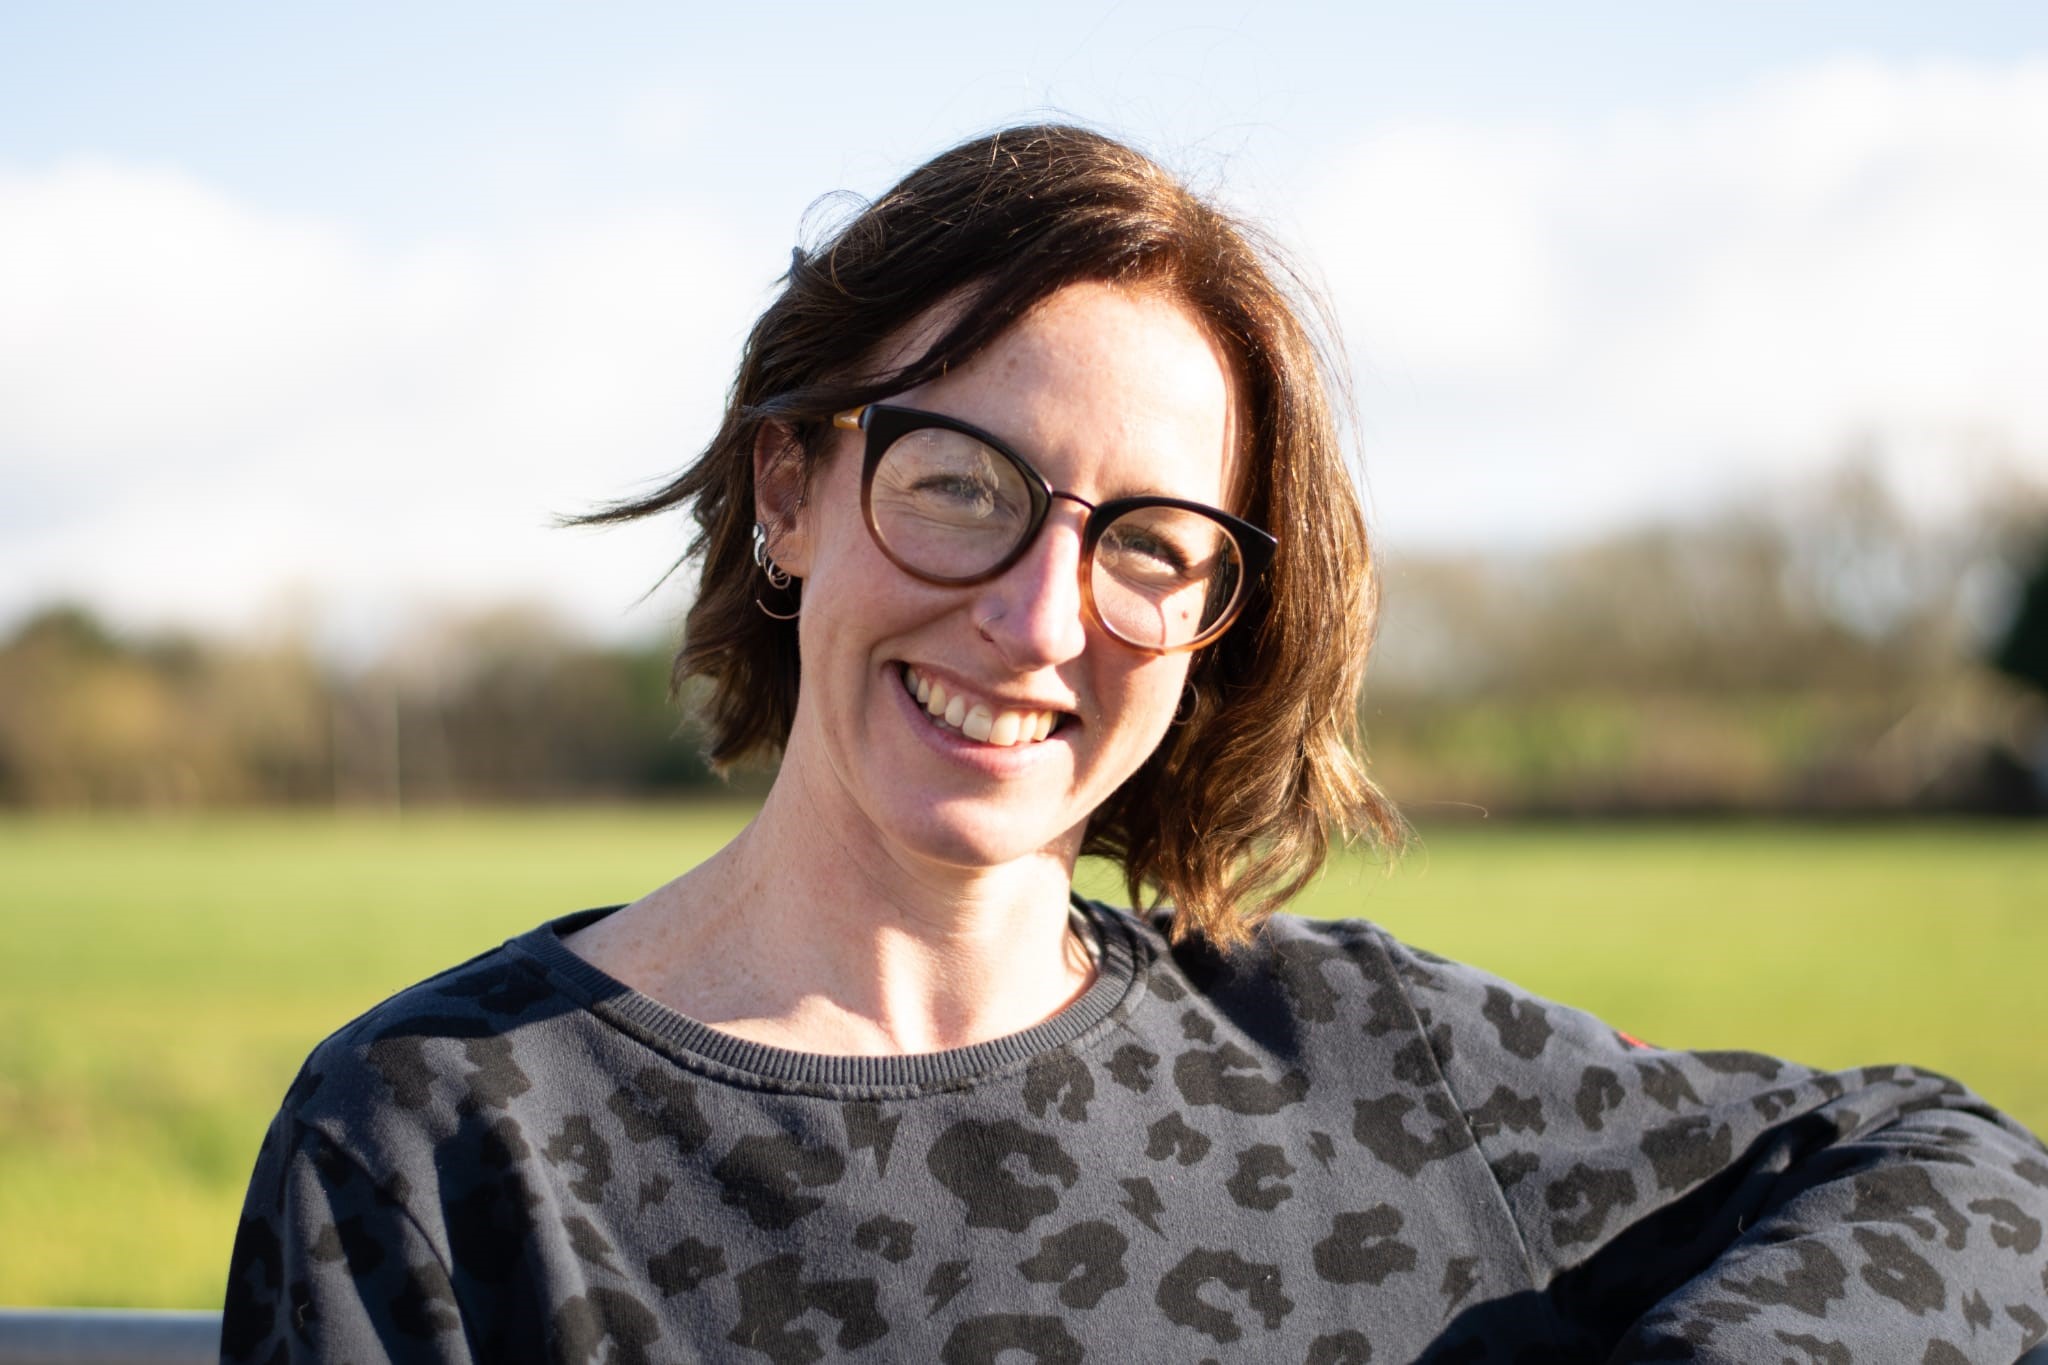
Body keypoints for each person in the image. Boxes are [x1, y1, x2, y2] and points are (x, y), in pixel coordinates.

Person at [220, 125, 2048, 1363]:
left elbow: (1965, 1174)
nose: (1039, 619)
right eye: (961, 484)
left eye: (1152, 543)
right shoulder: (447, 1146)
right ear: (788, 490)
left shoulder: (1382, 1061)